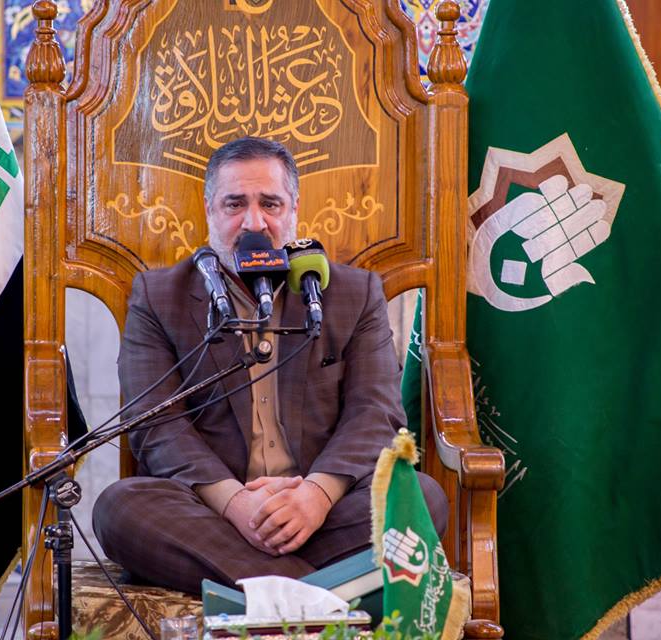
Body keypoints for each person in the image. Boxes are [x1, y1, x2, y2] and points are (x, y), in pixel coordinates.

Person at [93, 137, 447, 594]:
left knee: (421, 497)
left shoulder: (352, 292)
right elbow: (155, 424)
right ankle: (319, 597)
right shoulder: (159, 296)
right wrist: (235, 503)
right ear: (210, 211)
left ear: (294, 210)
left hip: (324, 512)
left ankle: (264, 588)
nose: (254, 222)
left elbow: (375, 412)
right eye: (235, 204)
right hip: (216, 514)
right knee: (119, 507)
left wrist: (316, 496)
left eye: (270, 204)